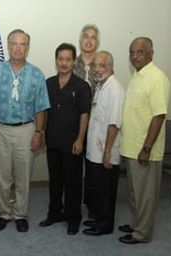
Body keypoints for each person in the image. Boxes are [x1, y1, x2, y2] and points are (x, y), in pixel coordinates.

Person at [0, 29, 50, 232]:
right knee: (2, 176)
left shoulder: (36, 74)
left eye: (22, 44)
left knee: (23, 176)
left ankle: (20, 213)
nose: (18, 48)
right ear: (7, 45)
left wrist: (39, 133)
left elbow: (41, 107)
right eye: (14, 43)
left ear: (27, 48)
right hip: (2, 129)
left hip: (26, 130)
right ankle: (4, 213)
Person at [119, 37, 171, 244]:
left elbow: (159, 116)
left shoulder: (157, 78)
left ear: (151, 53)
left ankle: (142, 234)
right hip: (131, 148)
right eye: (132, 52)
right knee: (135, 194)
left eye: (140, 52)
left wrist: (147, 148)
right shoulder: (137, 77)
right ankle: (136, 224)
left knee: (145, 196)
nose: (135, 56)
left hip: (145, 150)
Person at [39, 43, 91, 235]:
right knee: (55, 180)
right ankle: (54, 214)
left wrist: (80, 139)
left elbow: (84, 114)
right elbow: (44, 111)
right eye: (60, 59)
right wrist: (42, 133)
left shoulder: (82, 86)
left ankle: (73, 218)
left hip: (72, 143)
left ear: (73, 62)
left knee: (73, 182)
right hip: (52, 140)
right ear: (56, 61)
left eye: (68, 59)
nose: (64, 63)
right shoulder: (49, 83)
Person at [82, 51, 125, 236]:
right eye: (94, 65)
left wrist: (107, 152)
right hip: (95, 151)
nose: (97, 69)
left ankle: (105, 226)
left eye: (102, 65)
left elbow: (114, 124)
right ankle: (99, 219)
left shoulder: (115, 89)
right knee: (98, 189)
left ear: (111, 67)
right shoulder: (101, 86)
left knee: (106, 191)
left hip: (105, 152)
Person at [73, 24, 100, 220]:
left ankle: (92, 204)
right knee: (73, 167)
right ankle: (73, 205)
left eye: (93, 37)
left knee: (93, 168)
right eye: (86, 37)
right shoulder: (71, 63)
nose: (89, 40)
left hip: (97, 124)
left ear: (97, 42)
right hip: (74, 124)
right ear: (80, 41)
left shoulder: (103, 63)